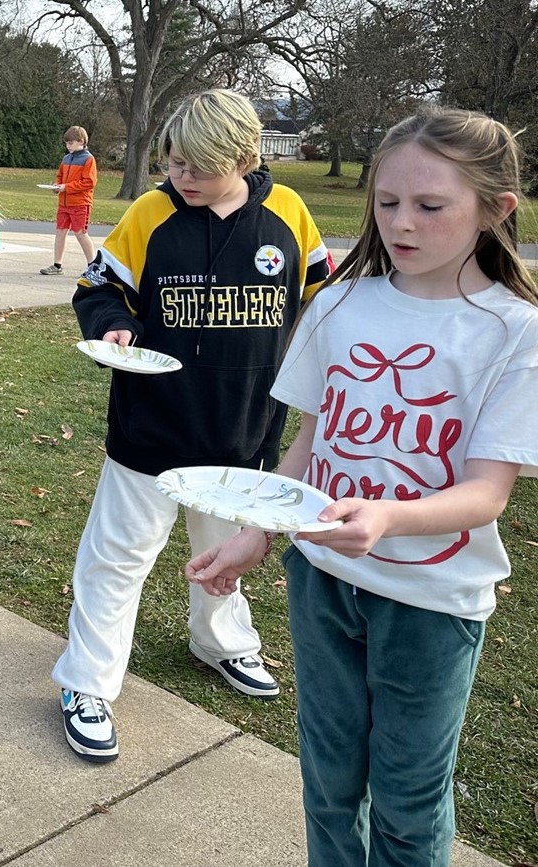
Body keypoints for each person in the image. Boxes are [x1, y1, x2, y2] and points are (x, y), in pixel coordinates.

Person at [186, 108, 537, 866]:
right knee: (328, 785)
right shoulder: (342, 302)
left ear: (496, 210)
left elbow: (487, 495)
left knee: (409, 808)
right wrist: (258, 529)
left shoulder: (514, 331)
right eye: (386, 202)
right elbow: (312, 442)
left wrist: (389, 515)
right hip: (322, 583)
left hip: (430, 607)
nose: (401, 223)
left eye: (430, 206)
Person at [52, 88, 331, 763]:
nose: (182, 179)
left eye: (198, 169)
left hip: (245, 433)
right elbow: (99, 288)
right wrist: (116, 323)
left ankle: (222, 644)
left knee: (223, 560)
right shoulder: (151, 214)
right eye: (175, 165)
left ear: (243, 155)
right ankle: (86, 682)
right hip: (151, 432)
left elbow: (328, 301)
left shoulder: (288, 215)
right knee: (115, 560)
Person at [38, 126, 98, 276]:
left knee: (80, 233)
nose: (68, 146)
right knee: (60, 232)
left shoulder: (88, 159)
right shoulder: (66, 159)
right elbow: (60, 176)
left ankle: (93, 266)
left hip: (80, 203)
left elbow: (89, 182)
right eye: (66, 143)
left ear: (81, 141)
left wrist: (67, 187)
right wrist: (57, 186)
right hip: (64, 203)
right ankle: (57, 265)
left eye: (70, 143)